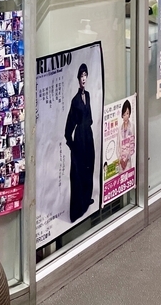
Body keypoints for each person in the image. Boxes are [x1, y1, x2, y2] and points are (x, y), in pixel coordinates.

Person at [65, 63, 95, 223]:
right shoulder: (75, 100)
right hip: (80, 137)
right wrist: (71, 144)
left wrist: (88, 125)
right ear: (78, 79)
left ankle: (86, 198)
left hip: (88, 134)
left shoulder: (88, 95)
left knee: (90, 166)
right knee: (78, 171)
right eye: (81, 76)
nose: (83, 78)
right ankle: (77, 209)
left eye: (85, 75)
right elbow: (69, 124)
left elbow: (90, 116)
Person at [118, 100, 135, 172]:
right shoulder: (119, 128)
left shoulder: (132, 126)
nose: (125, 116)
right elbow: (117, 145)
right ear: (122, 115)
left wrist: (126, 159)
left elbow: (132, 144)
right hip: (121, 161)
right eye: (124, 114)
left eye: (127, 113)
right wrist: (121, 160)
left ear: (130, 114)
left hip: (128, 161)